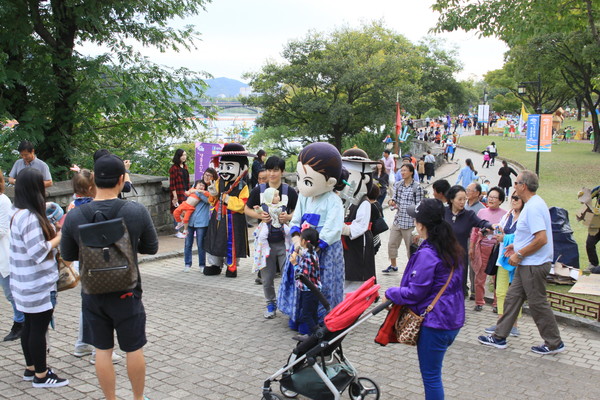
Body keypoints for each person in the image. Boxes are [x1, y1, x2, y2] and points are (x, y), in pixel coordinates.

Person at [60, 154, 159, 399]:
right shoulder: (135, 211)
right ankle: (137, 398)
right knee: (133, 349)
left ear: (93, 180)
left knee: (102, 350)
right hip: (128, 290)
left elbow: (68, 254)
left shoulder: (74, 216)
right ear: (122, 180)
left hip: (93, 292)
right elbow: (152, 247)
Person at [384, 199, 465, 400]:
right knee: (433, 374)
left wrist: (391, 292)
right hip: (452, 319)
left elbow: (414, 293)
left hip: (435, 323)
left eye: (416, 220)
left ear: (421, 225)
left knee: (431, 376)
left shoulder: (428, 254)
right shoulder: (451, 248)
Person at [478, 171, 565, 355]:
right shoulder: (533, 204)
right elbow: (528, 235)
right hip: (527, 262)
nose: (514, 185)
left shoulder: (533, 207)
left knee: (537, 303)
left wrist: (520, 253)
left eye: (516, 182)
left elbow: (541, 239)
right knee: (512, 298)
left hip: (533, 263)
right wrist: (516, 247)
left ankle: (554, 342)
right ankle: (500, 336)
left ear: (523, 186)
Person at [9, 168, 68, 387]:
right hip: (36, 285)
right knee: (38, 330)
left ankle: (31, 368)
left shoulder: (17, 213)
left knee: (30, 327)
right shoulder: (31, 218)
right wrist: (59, 237)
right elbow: (38, 251)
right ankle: (41, 376)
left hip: (23, 283)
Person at [278, 142, 344, 336]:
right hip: (302, 246)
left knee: (320, 284)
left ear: (330, 182)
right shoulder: (305, 197)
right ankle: (297, 316)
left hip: (322, 251)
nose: (301, 186)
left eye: (306, 181)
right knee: (299, 282)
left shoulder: (334, 201)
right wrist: (297, 240)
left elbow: (333, 229)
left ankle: (321, 321)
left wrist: (314, 246)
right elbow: (296, 218)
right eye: (299, 178)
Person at [245, 156, 298, 318]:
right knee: (267, 278)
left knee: (288, 275)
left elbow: (298, 211)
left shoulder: (289, 191)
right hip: (265, 243)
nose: (272, 173)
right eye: (269, 170)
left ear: (282, 172)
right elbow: (246, 209)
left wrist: (288, 218)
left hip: (284, 242)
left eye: (275, 170)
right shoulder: (259, 190)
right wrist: (260, 216)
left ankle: (288, 304)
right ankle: (270, 304)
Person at [204, 143, 255, 277]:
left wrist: (227, 200)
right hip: (218, 217)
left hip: (234, 219)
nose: (224, 170)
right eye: (222, 166)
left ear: (243, 168)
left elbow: (243, 205)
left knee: (231, 242)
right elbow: (213, 201)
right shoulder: (218, 181)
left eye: (229, 167)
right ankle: (215, 264)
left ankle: (231, 266)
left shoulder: (242, 186)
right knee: (214, 240)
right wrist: (213, 194)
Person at [484, 193, 524, 337]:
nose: (514, 201)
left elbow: (525, 237)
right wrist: (496, 231)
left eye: (517, 198)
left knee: (515, 293)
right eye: (512, 198)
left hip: (518, 260)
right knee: (500, 291)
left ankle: (514, 324)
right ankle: (500, 321)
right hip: (503, 259)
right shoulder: (508, 215)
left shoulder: (526, 217)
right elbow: (500, 227)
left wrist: (505, 238)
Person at [339, 147, 378, 293]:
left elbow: (360, 226)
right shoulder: (343, 198)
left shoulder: (364, 201)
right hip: (343, 241)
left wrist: (343, 228)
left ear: (365, 178)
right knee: (344, 274)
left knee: (356, 276)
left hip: (357, 242)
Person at [445, 185, 492, 297]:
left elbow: (482, 223)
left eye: (464, 199)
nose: (462, 202)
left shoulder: (468, 215)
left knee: (458, 287)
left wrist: (491, 226)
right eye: (459, 199)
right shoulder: (443, 212)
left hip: (460, 256)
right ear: (451, 199)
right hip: (443, 255)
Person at [470, 187, 507, 311]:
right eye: (489, 196)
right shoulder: (481, 212)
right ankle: (479, 301)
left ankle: (496, 304)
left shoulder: (505, 214)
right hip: (482, 247)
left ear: (500, 200)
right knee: (480, 275)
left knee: (496, 277)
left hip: (497, 249)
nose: (491, 199)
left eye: (494, 197)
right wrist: (472, 247)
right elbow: (474, 231)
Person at [384, 163, 424, 273]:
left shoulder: (417, 187)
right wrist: (392, 202)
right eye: (401, 170)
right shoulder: (398, 185)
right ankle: (393, 266)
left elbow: (420, 205)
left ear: (411, 172)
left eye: (405, 170)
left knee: (410, 248)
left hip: (410, 222)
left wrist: (418, 225)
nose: (402, 173)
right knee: (392, 244)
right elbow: (395, 198)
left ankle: (413, 269)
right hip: (398, 220)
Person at [0, 171, 25, 342]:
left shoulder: (3, 201)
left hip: (5, 252)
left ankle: (20, 322)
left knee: (10, 291)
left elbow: (2, 229)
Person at [290, 227, 321, 341]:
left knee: (307, 314)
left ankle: (317, 334)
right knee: (313, 313)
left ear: (303, 241)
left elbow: (302, 275)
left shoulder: (308, 256)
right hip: (315, 289)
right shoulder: (312, 253)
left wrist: (294, 263)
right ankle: (313, 335)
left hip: (309, 290)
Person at [182, 179, 211, 273]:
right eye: (199, 185)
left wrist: (197, 192)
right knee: (187, 244)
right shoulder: (191, 194)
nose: (201, 187)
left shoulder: (205, 195)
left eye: (203, 186)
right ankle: (187, 264)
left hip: (202, 223)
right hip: (190, 222)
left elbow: (208, 201)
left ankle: (202, 265)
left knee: (200, 245)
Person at [169, 149, 190, 238]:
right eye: (182, 155)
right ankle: (177, 231)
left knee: (185, 211)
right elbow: (172, 183)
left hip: (185, 192)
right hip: (177, 193)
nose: (184, 157)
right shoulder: (174, 168)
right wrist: (175, 196)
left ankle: (185, 230)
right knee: (177, 211)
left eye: (185, 155)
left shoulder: (185, 167)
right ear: (178, 156)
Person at [584, 185, 600, 273]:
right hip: (597, 220)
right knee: (589, 243)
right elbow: (587, 198)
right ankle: (593, 264)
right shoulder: (599, 189)